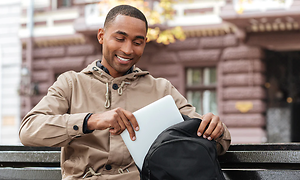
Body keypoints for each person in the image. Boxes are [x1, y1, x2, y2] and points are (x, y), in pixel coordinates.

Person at [19, 4, 231, 180]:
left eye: (137, 42)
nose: (128, 50)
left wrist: (215, 128)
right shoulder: (71, 83)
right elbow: (29, 130)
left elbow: (218, 140)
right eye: (120, 39)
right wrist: (91, 121)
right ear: (101, 36)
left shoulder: (161, 88)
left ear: (144, 43)